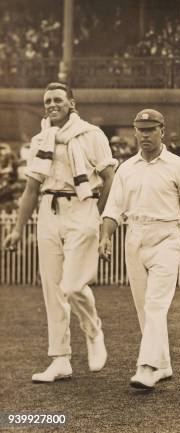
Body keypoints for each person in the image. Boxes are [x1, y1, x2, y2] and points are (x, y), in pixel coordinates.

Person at [3, 82, 116, 382]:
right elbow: (30, 188)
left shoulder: (91, 134)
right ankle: (60, 359)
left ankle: (93, 331)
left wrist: (99, 214)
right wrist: (17, 230)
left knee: (73, 285)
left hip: (82, 208)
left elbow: (109, 176)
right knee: (52, 288)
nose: (52, 105)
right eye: (47, 100)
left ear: (71, 103)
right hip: (48, 211)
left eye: (58, 99)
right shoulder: (42, 138)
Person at [99, 109, 180, 389]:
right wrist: (105, 237)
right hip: (134, 236)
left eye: (150, 130)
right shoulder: (126, 168)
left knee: (156, 304)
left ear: (162, 131)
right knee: (145, 308)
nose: (144, 135)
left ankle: (146, 366)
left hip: (167, 236)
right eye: (140, 130)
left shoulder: (179, 166)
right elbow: (113, 210)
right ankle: (163, 365)